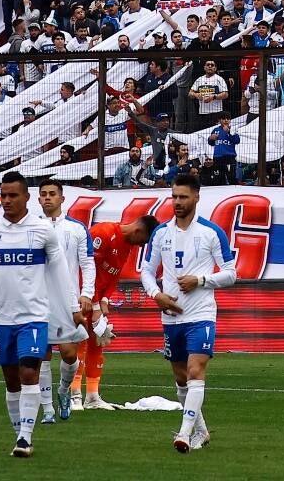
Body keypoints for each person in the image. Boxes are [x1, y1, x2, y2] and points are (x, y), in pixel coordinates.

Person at [0, 172, 84, 458]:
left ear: (26, 197)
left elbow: (61, 273)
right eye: (3, 195)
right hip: (3, 318)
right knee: (11, 379)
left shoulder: (41, 231)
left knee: (28, 371)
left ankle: (25, 437)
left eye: (13, 195)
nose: (7, 200)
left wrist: (73, 308)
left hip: (35, 316)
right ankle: (19, 433)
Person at [140, 174, 237, 453]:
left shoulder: (211, 232)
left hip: (202, 313)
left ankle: (183, 434)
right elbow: (146, 270)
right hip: (171, 316)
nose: (177, 202)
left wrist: (201, 280)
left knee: (196, 370)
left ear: (196, 197)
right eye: (174, 197)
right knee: (182, 377)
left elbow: (231, 273)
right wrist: (155, 294)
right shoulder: (161, 233)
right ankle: (202, 431)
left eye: (183, 197)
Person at [75, 214, 159, 410]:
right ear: (139, 231)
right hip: (82, 297)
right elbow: (88, 271)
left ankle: (92, 396)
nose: (141, 245)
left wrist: (104, 301)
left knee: (97, 342)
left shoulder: (127, 246)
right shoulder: (102, 233)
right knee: (78, 343)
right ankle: (74, 395)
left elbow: (114, 274)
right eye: (143, 241)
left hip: (96, 300)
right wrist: (94, 304)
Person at [36, 181, 95, 423]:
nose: (47, 198)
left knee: (70, 355)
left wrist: (87, 293)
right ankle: (47, 408)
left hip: (66, 302)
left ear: (62, 198)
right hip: (38, 300)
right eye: (43, 195)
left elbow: (87, 263)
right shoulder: (32, 228)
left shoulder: (77, 228)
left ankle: (64, 390)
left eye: (52, 194)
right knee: (41, 354)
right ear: (38, 200)